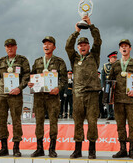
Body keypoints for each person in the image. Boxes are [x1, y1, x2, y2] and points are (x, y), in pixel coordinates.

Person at [65, 15, 102, 159]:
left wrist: (91, 25)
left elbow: (98, 40)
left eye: (85, 44)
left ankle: (92, 150)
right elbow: (68, 46)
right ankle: (77, 149)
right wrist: (77, 32)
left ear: (88, 46)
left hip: (92, 94)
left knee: (92, 122)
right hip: (78, 95)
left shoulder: (94, 55)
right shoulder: (73, 57)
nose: (82, 47)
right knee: (78, 122)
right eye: (80, 45)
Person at [28, 36, 67, 158]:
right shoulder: (37, 61)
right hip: (39, 96)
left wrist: (58, 88)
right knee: (38, 122)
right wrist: (30, 83)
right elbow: (32, 76)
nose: (46, 46)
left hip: (52, 97)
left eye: (49, 44)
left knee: (53, 122)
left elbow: (64, 79)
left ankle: (52, 149)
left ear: (54, 47)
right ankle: (39, 148)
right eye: (44, 44)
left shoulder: (59, 62)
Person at [0, 38, 30, 157]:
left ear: (16, 47)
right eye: (7, 46)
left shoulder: (22, 60)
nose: (10, 48)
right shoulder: (0, 61)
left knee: (16, 121)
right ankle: (4, 147)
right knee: (1, 121)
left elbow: (27, 75)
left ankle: (16, 148)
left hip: (15, 95)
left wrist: (20, 88)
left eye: (12, 46)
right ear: (5, 48)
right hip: (1, 94)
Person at [109, 39, 133, 159]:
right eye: (122, 47)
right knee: (120, 126)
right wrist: (109, 97)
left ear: (130, 48)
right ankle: (122, 149)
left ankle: (132, 150)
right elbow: (110, 82)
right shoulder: (115, 65)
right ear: (120, 49)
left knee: (132, 126)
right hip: (118, 101)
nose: (124, 48)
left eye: (126, 46)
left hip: (131, 101)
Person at [101, 51, 118, 120]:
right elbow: (103, 76)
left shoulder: (118, 65)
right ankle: (109, 114)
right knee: (108, 100)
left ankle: (115, 115)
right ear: (110, 58)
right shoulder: (105, 66)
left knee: (116, 100)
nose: (115, 59)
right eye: (114, 57)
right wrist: (103, 86)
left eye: (116, 57)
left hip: (116, 84)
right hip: (108, 84)